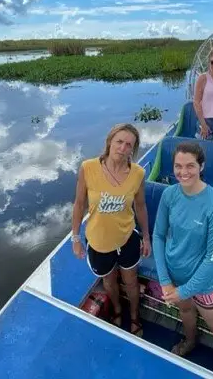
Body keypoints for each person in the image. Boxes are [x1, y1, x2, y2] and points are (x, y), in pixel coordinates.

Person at [152, 141, 213, 379]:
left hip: (204, 284)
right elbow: (158, 236)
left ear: (202, 166)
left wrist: (186, 290)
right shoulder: (169, 194)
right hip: (174, 277)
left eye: (190, 166)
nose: (183, 172)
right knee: (186, 313)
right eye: (178, 166)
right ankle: (191, 342)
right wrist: (165, 281)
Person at [71, 123, 152, 337]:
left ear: (133, 150)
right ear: (109, 142)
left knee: (131, 281)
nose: (123, 148)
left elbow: (141, 206)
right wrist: (75, 238)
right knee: (109, 281)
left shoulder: (137, 173)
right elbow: (79, 204)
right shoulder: (88, 168)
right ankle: (117, 310)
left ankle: (134, 316)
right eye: (119, 142)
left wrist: (146, 236)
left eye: (129, 145)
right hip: (98, 241)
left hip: (127, 238)